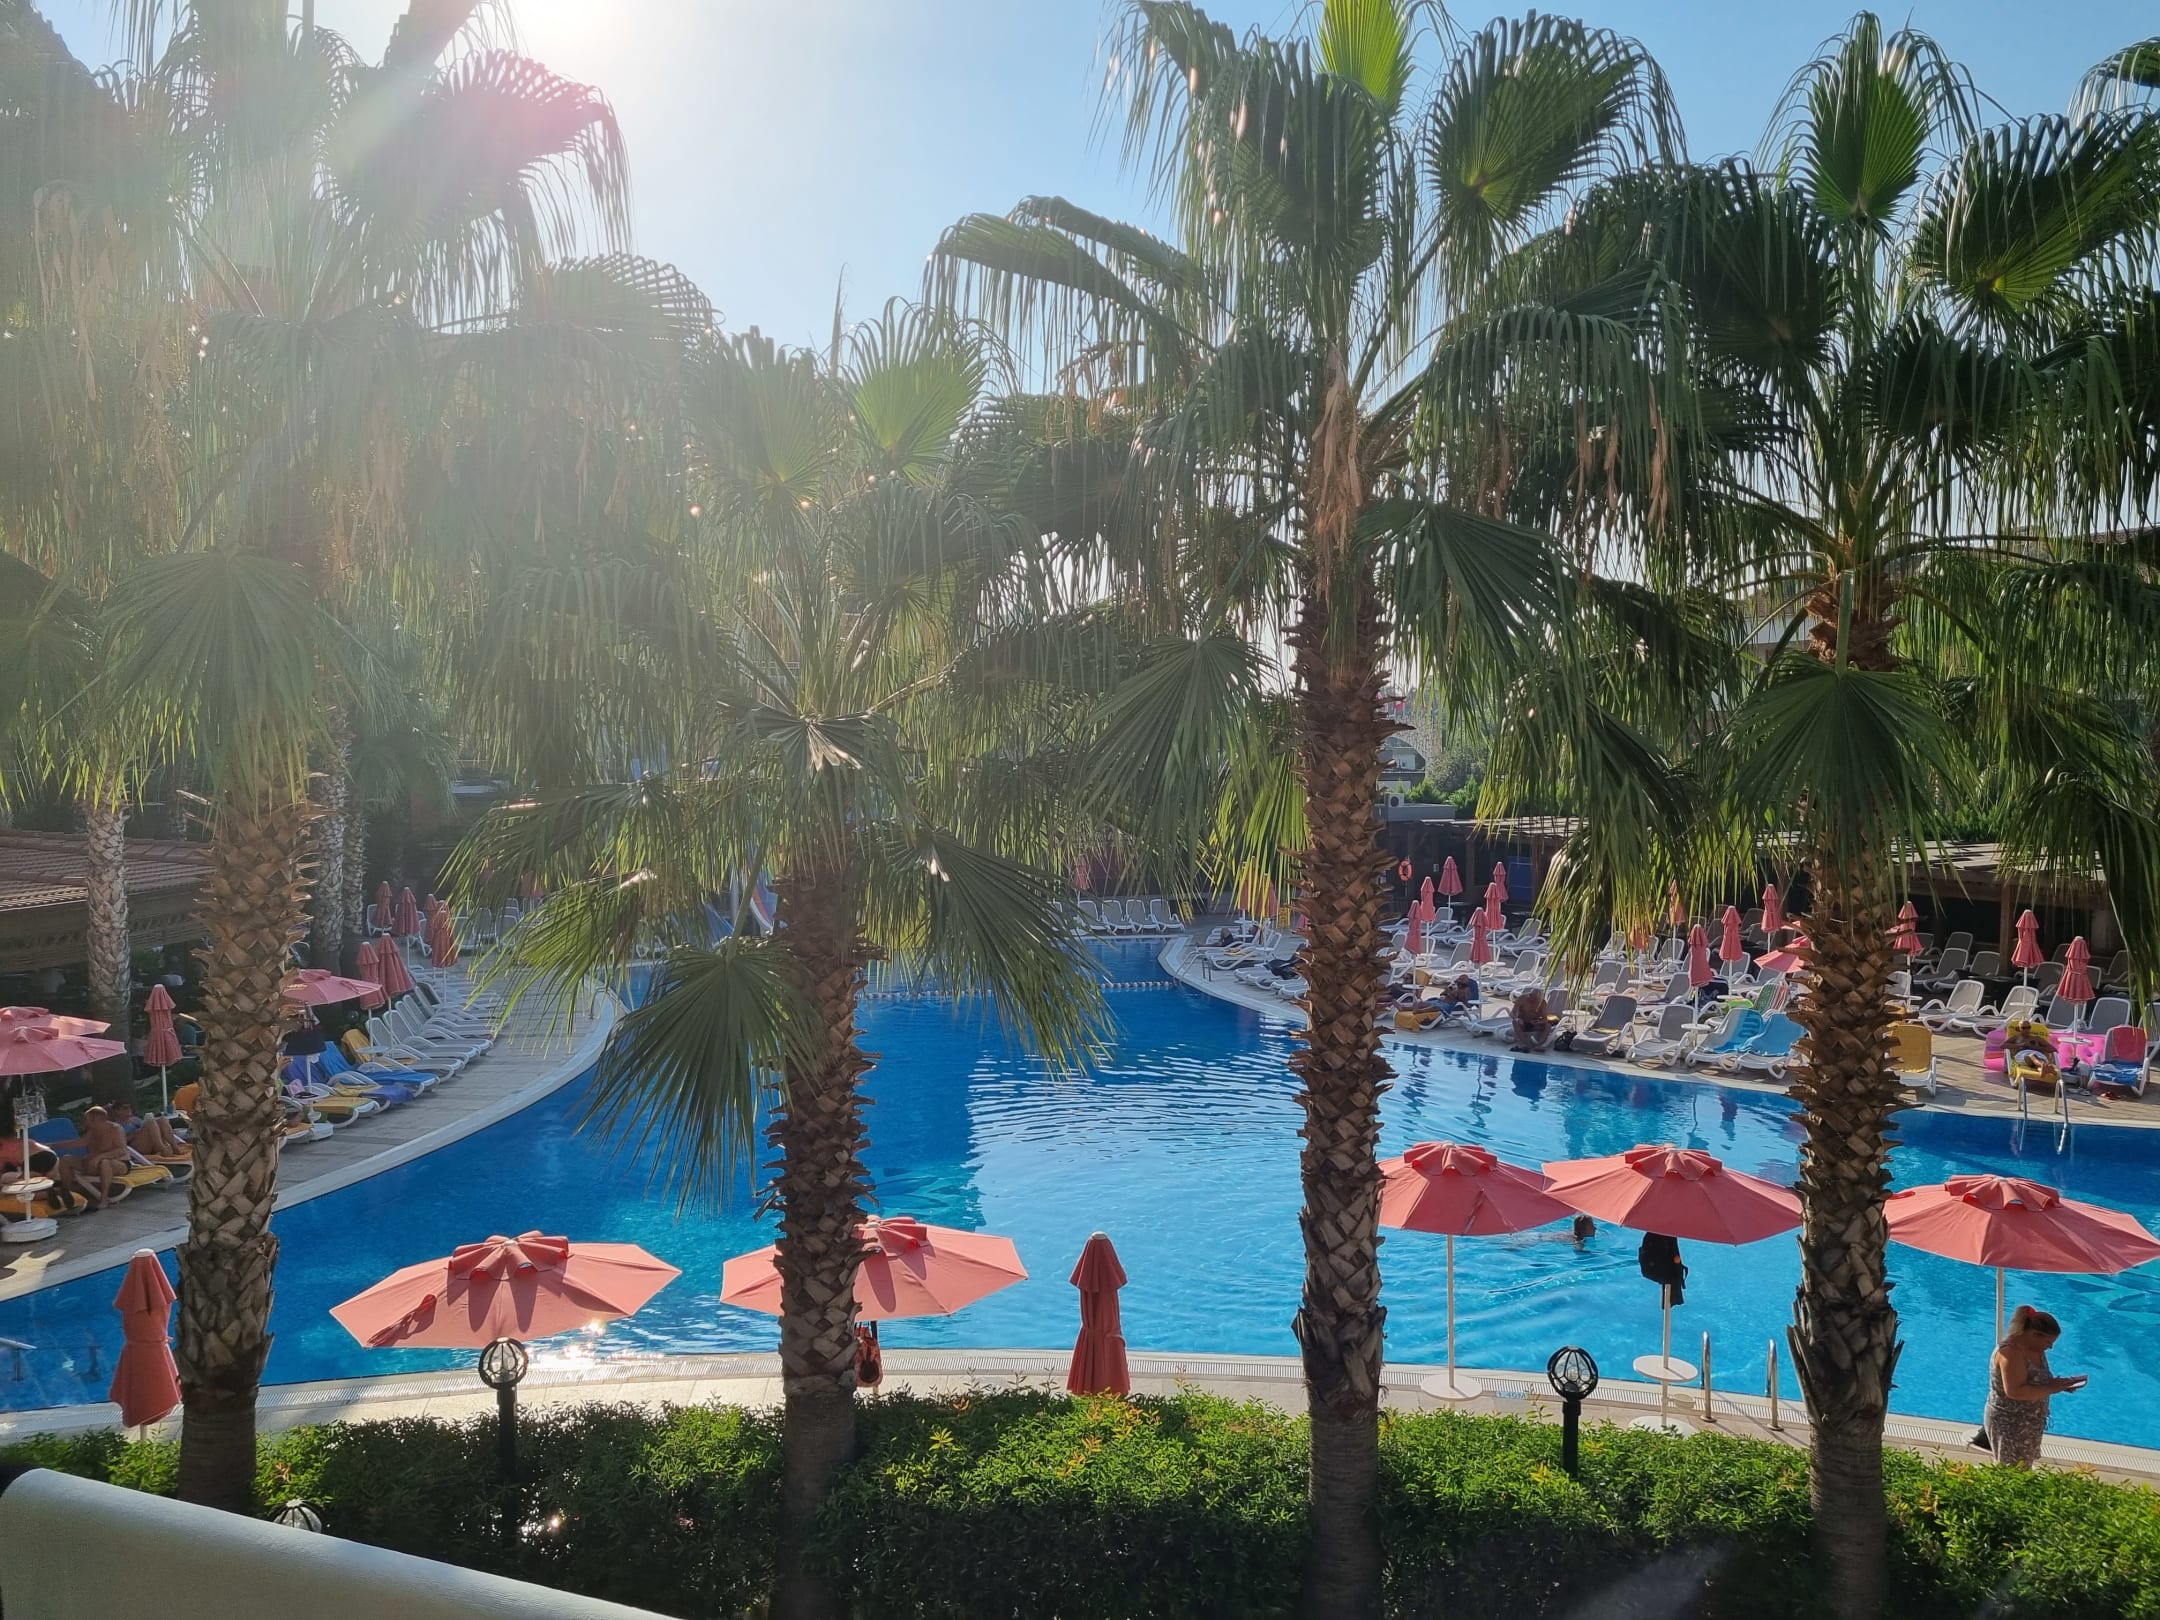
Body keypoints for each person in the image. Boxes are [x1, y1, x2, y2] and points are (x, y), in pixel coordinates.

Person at [1984, 1304, 2085, 1465]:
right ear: (2033, 1334)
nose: (2050, 1346)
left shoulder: (2036, 1349)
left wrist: (2060, 1385)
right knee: (2011, 1471)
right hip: (2009, 1423)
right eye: (2048, 1341)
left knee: (2023, 1469)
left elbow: (2035, 1381)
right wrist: (2051, 1388)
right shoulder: (2011, 1352)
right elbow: (2015, 1391)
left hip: (2028, 1423)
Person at [1509, 988, 1557, 1052]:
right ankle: (1525, 1044)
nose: (1534, 1001)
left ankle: (1539, 1044)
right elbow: (1512, 1013)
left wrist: (1539, 1022)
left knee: (1548, 1025)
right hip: (1523, 1023)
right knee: (1514, 1022)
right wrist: (1517, 1019)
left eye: (1536, 999)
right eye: (1533, 999)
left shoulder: (1542, 1003)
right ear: (1529, 995)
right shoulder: (1522, 999)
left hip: (1534, 1024)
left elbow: (1545, 1019)